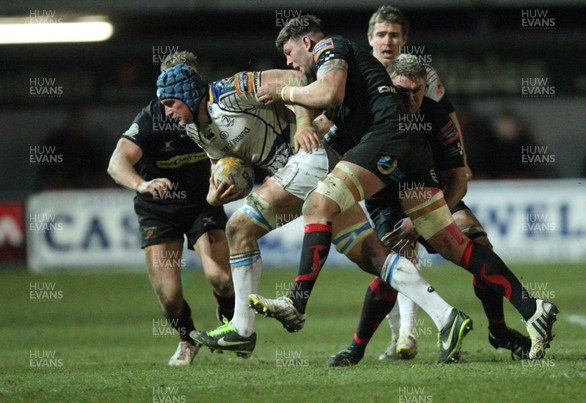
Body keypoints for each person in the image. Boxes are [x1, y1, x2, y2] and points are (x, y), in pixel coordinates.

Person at [255, 14, 558, 361]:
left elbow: (327, 92)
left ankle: (297, 300)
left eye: (290, 53)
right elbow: (327, 112)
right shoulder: (364, 81)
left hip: (387, 145)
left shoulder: (330, 46)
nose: (289, 62)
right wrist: (299, 128)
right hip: (410, 157)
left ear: (306, 42)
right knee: (454, 246)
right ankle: (532, 308)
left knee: (318, 207)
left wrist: (281, 90)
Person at [157, 60, 473, 363]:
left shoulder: (229, 90)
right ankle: (447, 316)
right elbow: (222, 166)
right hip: (299, 173)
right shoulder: (195, 131)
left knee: (239, 228)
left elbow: (294, 81)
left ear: (187, 93)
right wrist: (215, 195)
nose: (167, 112)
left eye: (170, 103)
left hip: (308, 159)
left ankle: (242, 328)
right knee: (370, 253)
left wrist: (304, 125)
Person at [327, 54, 531, 367]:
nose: (410, 98)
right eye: (401, 91)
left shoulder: (436, 117)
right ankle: (356, 347)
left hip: (430, 194)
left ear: (426, 88)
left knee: (478, 244)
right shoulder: (369, 111)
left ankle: (499, 331)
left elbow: (459, 180)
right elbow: (331, 148)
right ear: (388, 88)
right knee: (392, 269)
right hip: (386, 200)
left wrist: (422, 221)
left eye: (417, 91)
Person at [107, 52, 234, 366]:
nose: (189, 91)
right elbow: (117, 162)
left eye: (192, 80)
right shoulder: (153, 117)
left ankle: (232, 327)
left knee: (221, 279)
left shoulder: (218, 109)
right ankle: (188, 340)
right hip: (159, 209)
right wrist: (141, 185)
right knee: (169, 297)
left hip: (201, 203)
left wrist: (226, 174)